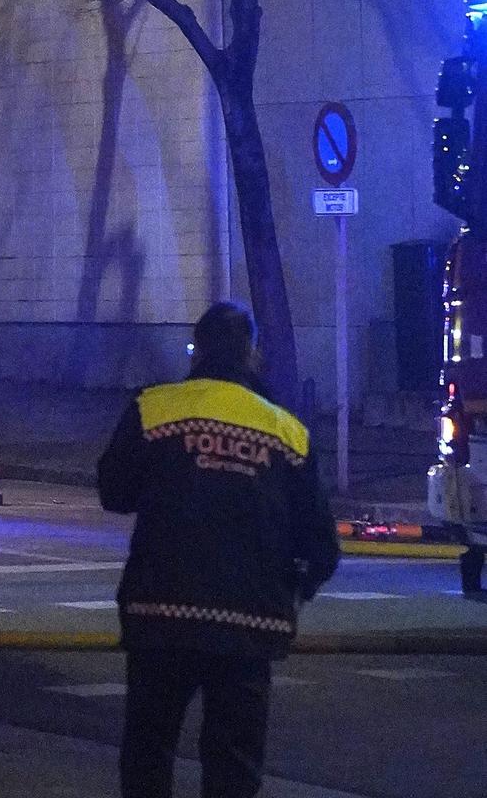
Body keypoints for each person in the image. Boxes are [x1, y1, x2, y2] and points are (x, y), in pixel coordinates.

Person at [97, 301, 339, 798]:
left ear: (197, 350)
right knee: (234, 763)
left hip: (160, 614)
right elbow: (323, 546)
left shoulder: (154, 409)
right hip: (250, 623)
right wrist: (296, 586)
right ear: (253, 354)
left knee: (149, 750)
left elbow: (114, 492)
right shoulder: (288, 434)